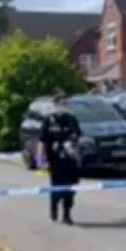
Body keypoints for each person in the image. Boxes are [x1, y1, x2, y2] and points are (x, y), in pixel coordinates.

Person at [40, 90, 82, 224]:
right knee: (57, 188)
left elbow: (78, 137)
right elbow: (43, 141)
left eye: (65, 102)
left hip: (70, 160)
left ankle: (67, 214)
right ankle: (54, 208)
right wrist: (41, 161)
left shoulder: (71, 119)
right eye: (60, 102)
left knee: (71, 189)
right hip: (55, 160)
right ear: (55, 104)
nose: (63, 105)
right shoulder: (49, 120)